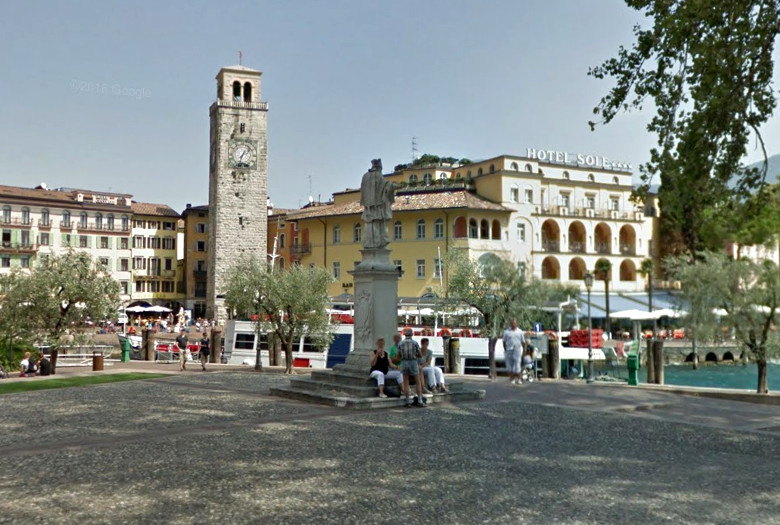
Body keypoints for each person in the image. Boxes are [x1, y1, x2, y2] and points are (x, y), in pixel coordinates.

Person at [393, 327, 425, 407]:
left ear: (404, 334)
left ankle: (407, 401)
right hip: (413, 362)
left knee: (406, 382)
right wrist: (415, 354)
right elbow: (420, 355)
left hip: (404, 362)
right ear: (412, 334)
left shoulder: (401, 343)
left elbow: (398, 355)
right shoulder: (415, 343)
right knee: (417, 381)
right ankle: (420, 400)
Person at [502, 318, 525, 385]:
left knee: (517, 366)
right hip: (509, 350)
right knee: (509, 366)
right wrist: (505, 349)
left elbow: (523, 342)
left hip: (517, 350)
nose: (513, 324)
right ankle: (512, 379)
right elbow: (504, 341)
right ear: (510, 324)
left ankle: (519, 379)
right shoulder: (507, 332)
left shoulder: (520, 332)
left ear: (516, 324)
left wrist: (524, 350)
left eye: (514, 323)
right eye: (512, 323)